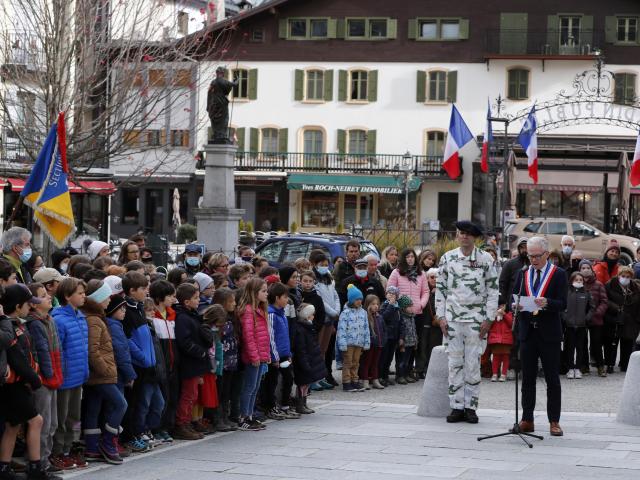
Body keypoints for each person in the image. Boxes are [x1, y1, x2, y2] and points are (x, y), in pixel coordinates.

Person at [436, 221, 498, 424]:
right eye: (461, 233)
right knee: (454, 364)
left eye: (468, 234)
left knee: (472, 365)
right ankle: (456, 406)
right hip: (452, 319)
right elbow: (441, 289)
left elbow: (492, 290)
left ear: (475, 237)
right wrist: (441, 317)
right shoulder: (448, 258)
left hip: (475, 320)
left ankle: (471, 407)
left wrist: (489, 318)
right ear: (457, 236)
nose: (464, 237)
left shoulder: (485, 259)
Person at [0, 284, 59, 480]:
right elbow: (17, 359)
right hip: (14, 385)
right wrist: (34, 380)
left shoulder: (15, 323)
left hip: (14, 384)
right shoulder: (10, 326)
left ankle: (4, 468)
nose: (29, 307)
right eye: (27, 304)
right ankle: (35, 468)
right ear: (18, 306)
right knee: (36, 420)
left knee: (13, 425)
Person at [514, 236, 568, 437]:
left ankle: (554, 421)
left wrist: (548, 303)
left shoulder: (558, 274)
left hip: (549, 333)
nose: (533, 260)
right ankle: (527, 419)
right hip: (528, 332)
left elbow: (563, 303)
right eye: (530, 255)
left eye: (537, 256)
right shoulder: (523, 273)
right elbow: (515, 295)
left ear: (546, 254)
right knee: (527, 378)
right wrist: (515, 305)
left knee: (552, 379)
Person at [81, 280, 127, 464]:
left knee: (94, 408)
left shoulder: (96, 317)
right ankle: (108, 443)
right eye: (107, 296)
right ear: (98, 298)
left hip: (96, 375)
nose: (110, 300)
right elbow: (93, 351)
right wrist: (106, 370)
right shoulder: (93, 320)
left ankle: (92, 447)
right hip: (100, 374)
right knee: (120, 404)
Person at [122, 272, 164, 452]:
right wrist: (144, 358)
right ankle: (134, 434)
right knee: (138, 403)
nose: (147, 291)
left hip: (149, 365)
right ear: (132, 290)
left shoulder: (138, 307)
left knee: (157, 403)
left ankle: (144, 430)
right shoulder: (127, 311)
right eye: (143, 288)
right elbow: (128, 341)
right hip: (139, 365)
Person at [26, 283, 63, 473]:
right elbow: (41, 351)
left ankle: (46, 457)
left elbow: (57, 349)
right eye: (42, 295)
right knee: (44, 422)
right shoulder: (35, 323)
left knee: (53, 422)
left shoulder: (49, 319)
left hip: (54, 376)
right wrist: (49, 375)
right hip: (43, 380)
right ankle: (38, 460)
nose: (48, 297)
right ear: (33, 304)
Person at [172, 283, 212, 439]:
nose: (198, 300)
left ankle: (187, 422)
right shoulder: (182, 318)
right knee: (188, 395)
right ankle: (181, 424)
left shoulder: (192, 315)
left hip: (196, 363)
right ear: (186, 302)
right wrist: (200, 352)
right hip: (189, 363)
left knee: (193, 394)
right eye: (195, 298)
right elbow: (184, 341)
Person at [388, 248, 429, 379]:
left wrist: (420, 304)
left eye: (412, 256)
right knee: (402, 343)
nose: (410, 259)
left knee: (413, 343)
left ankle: (409, 370)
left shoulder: (421, 274)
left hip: (417, 313)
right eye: (407, 256)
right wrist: (400, 305)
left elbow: (426, 292)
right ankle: (400, 372)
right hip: (401, 314)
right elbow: (390, 291)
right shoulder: (396, 273)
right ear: (403, 259)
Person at [237, 278, 270, 431]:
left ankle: (250, 415)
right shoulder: (249, 311)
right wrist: (255, 356)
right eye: (263, 291)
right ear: (254, 293)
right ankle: (243, 416)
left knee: (255, 387)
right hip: (253, 357)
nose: (266, 293)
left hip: (261, 355)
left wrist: (266, 354)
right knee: (249, 386)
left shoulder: (260, 309)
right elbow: (248, 337)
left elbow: (264, 336)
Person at [149, 280, 180, 440]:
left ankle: (167, 427)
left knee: (172, 397)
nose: (173, 299)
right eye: (170, 296)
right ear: (160, 297)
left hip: (174, 364)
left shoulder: (172, 315)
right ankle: (157, 428)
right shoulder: (153, 316)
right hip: (161, 364)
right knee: (162, 397)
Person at [263, 283, 298, 420]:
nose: (287, 300)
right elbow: (271, 337)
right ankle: (270, 407)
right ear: (277, 298)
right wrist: (275, 357)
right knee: (271, 382)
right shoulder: (271, 314)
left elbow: (285, 337)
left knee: (288, 379)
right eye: (285, 297)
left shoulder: (282, 314)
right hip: (275, 356)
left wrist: (288, 353)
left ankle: (285, 405)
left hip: (284, 354)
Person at [309, 250, 340, 387]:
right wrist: (332, 311)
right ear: (315, 265)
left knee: (324, 350)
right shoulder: (314, 279)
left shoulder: (328, 278)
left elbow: (335, 295)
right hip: (322, 318)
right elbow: (321, 300)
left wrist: (337, 310)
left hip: (331, 319)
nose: (324, 266)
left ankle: (320, 377)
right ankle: (313, 379)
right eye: (321, 264)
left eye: (326, 264)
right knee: (316, 349)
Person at [212, 288, 242, 428]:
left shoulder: (232, 317)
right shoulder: (218, 320)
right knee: (220, 391)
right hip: (220, 362)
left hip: (231, 361)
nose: (234, 303)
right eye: (231, 301)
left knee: (227, 391)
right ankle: (217, 419)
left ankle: (225, 416)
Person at [604, 265, 640, 373]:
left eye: (628, 276)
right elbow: (605, 300)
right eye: (623, 276)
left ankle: (625, 364)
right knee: (612, 343)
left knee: (627, 343)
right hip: (614, 318)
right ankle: (609, 364)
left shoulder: (636, 288)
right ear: (618, 275)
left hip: (630, 320)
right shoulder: (610, 285)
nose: (625, 278)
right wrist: (617, 308)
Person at [292, 303, 326, 413]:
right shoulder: (301, 330)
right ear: (306, 316)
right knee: (302, 384)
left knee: (306, 384)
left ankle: (304, 403)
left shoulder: (309, 327)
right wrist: (305, 363)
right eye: (312, 314)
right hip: (303, 362)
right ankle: (300, 405)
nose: (313, 316)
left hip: (309, 360)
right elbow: (301, 349)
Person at [337, 284, 370, 392]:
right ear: (351, 300)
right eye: (356, 299)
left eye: (360, 299)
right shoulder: (345, 313)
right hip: (348, 343)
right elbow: (341, 329)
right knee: (348, 362)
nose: (359, 301)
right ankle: (347, 382)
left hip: (359, 342)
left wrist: (366, 342)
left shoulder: (364, 313)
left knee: (356, 362)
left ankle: (354, 381)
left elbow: (366, 328)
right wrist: (342, 344)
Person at [579, 260, 609, 377]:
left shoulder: (598, 284)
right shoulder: (577, 284)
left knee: (596, 343)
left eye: (588, 268)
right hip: (581, 319)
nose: (585, 270)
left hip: (596, 319)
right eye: (583, 268)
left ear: (592, 270)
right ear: (580, 270)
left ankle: (600, 366)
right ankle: (584, 366)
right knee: (582, 343)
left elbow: (604, 302)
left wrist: (597, 313)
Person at [563, 272, 592, 380]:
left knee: (580, 348)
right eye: (576, 280)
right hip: (569, 325)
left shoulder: (586, 293)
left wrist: (586, 318)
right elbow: (562, 307)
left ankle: (578, 368)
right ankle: (570, 368)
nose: (579, 282)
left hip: (581, 325)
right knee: (569, 348)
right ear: (571, 281)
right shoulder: (567, 293)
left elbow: (592, 308)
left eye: (580, 280)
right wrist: (565, 318)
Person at [359, 295, 385, 389]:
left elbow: (383, 330)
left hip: (378, 344)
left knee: (375, 363)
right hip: (369, 345)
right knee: (366, 363)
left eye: (377, 304)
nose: (376, 306)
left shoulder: (380, 317)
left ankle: (375, 380)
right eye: (373, 304)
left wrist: (383, 340)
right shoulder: (365, 316)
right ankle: (364, 380)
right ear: (367, 304)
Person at [379, 286, 401, 386]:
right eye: (389, 293)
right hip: (386, 336)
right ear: (386, 294)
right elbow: (383, 317)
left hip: (394, 336)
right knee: (383, 357)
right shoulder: (385, 305)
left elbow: (400, 322)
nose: (391, 295)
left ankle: (386, 376)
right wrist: (390, 306)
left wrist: (400, 336)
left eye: (394, 294)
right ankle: (380, 377)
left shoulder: (398, 307)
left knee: (389, 358)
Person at [395, 295, 418, 385]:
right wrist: (401, 341)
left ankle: (406, 374)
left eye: (411, 306)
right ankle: (400, 376)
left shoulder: (412, 317)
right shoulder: (401, 318)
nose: (411, 308)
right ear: (403, 308)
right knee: (402, 361)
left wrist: (416, 340)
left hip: (412, 342)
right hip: (404, 343)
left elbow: (414, 329)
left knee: (408, 361)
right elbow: (400, 330)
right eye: (409, 306)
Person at [422, 268, 441, 372]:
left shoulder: (443, 289)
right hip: (425, 321)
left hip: (437, 323)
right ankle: (423, 368)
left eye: (437, 277)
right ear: (427, 278)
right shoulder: (424, 289)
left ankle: (434, 368)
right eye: (432, 277)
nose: (434, 279)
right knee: (424, 346)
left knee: (435, 344)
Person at [488, 308, 513, 382]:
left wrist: (504, 314)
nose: (501, 308)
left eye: (503, 305)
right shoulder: (493, 314)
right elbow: (489, 325)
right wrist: (493, 316)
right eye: (500, 306)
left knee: (505, 357)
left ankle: (503, 374)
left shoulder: (509, 314)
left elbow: (511, 323)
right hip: (495, 339)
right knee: (495, 357)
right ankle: (494, 374)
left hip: (506, 339)